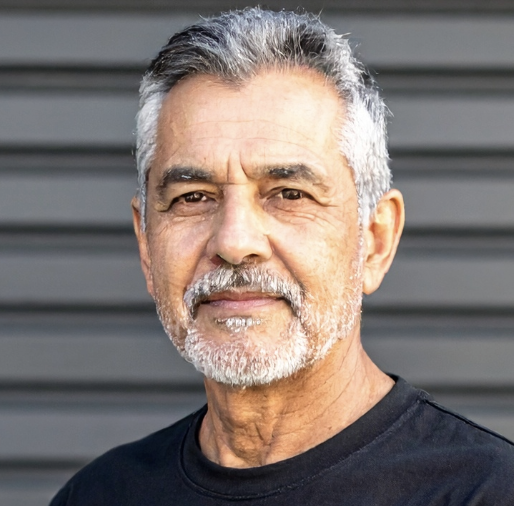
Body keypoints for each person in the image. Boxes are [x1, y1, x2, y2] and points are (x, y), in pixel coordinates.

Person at [50, 8, 514, 505]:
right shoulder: (99, 495)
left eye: (290, 194)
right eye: (193, 197)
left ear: (375, 240)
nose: (234, 242)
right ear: (146, 244)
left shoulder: (485, 492)